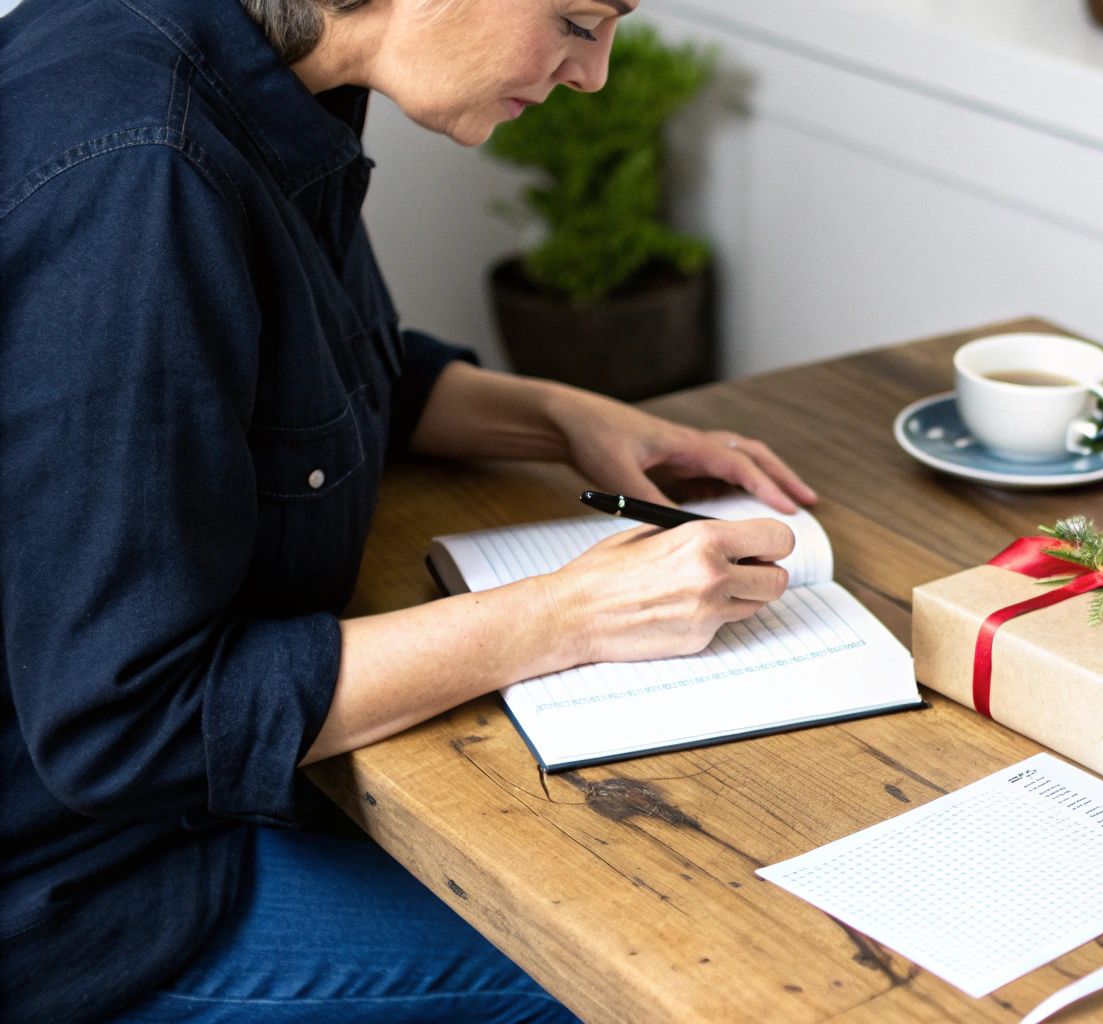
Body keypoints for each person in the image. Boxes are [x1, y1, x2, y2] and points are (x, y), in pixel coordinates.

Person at [0, 0, 816, 1019]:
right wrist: (566, 615)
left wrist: (556, 416)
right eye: (574, 19)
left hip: (155, 815)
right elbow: (128, 727)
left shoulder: (257, 69)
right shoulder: (141, 172)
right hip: (83, 893)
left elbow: (287, 371)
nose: (593, 73)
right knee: (656, 977)